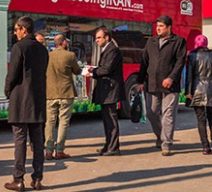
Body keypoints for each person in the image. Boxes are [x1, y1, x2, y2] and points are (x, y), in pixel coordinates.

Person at [4, 16, 48, 192]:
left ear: (24, 29)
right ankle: (37, 178)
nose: (15, 33)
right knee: (38, 142)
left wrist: (7, 91)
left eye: (16, 29)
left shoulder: (19, 47)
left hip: (21, 100)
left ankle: (18, 179)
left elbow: (12, 74)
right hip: (37, 100)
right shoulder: (42, 50)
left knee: (20, 141)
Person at [136, 15, 186, 156]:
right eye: (157, 26)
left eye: (161, 26)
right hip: (152, 83)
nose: (158, 28)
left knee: (168, 114)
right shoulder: (151, 41)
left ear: (169, 27)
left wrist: (171, 77)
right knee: (152, 113)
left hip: (170, 85)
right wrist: (140, 81)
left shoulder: (178, 41)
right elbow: (144, 62)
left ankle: (167, 143)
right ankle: (160, 136)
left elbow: (180, 62)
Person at [88, 26, 125, 156]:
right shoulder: (107, 49)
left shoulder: (112, 50)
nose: (96, 40)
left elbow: (107, 69)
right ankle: (108, 145)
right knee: (106, 119)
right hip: (106, 90)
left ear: (107, 37)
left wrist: (92, 71)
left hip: (111, 91)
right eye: (96, 38)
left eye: (99, 38)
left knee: (111, 119)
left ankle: (114, 147)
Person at [45, 34, 81, 160]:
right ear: (64, 42)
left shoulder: (48, 56)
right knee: (63, 122)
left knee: (49, 122)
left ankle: (48, 151)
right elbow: (77, 71)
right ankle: (59, 150)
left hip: (50, 94)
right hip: (66, 93)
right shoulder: (70, 55)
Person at [185, 34, 212, 155]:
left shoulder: (191, 56)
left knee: (201, 120)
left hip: (197, 89)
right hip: (211, 88)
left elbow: (189, 76)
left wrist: (188, 92)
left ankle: (205, 147)